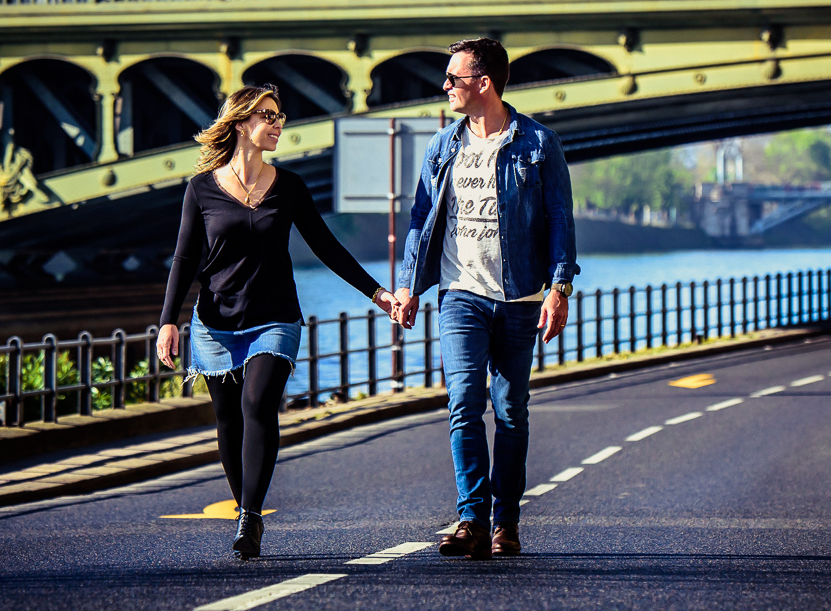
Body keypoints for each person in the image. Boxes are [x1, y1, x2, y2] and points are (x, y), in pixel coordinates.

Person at [156, 84, 400, 561]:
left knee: (257, 403)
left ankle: (250, 518)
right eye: (268, 115)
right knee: (227, 420)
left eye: (280, 115)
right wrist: (168, 321)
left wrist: (377, 292)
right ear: (242, 122)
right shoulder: (201, 189)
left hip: (275, 319)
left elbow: (327, 247)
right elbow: (185, 258)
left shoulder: (289, 187)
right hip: (214, 322)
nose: (278, 123)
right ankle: (244, 506)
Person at [395, 38, 580, 559]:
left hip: (521, 297)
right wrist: (408, 285)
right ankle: (472, 519)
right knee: (463, 405)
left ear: (484, 83)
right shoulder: (442, 147)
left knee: (511, 411)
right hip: (460, 296)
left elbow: (561, 220)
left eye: (453, 79)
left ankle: (507, 522)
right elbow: (419, 221)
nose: (445, 87)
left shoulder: (538, 144)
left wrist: (560, 287)